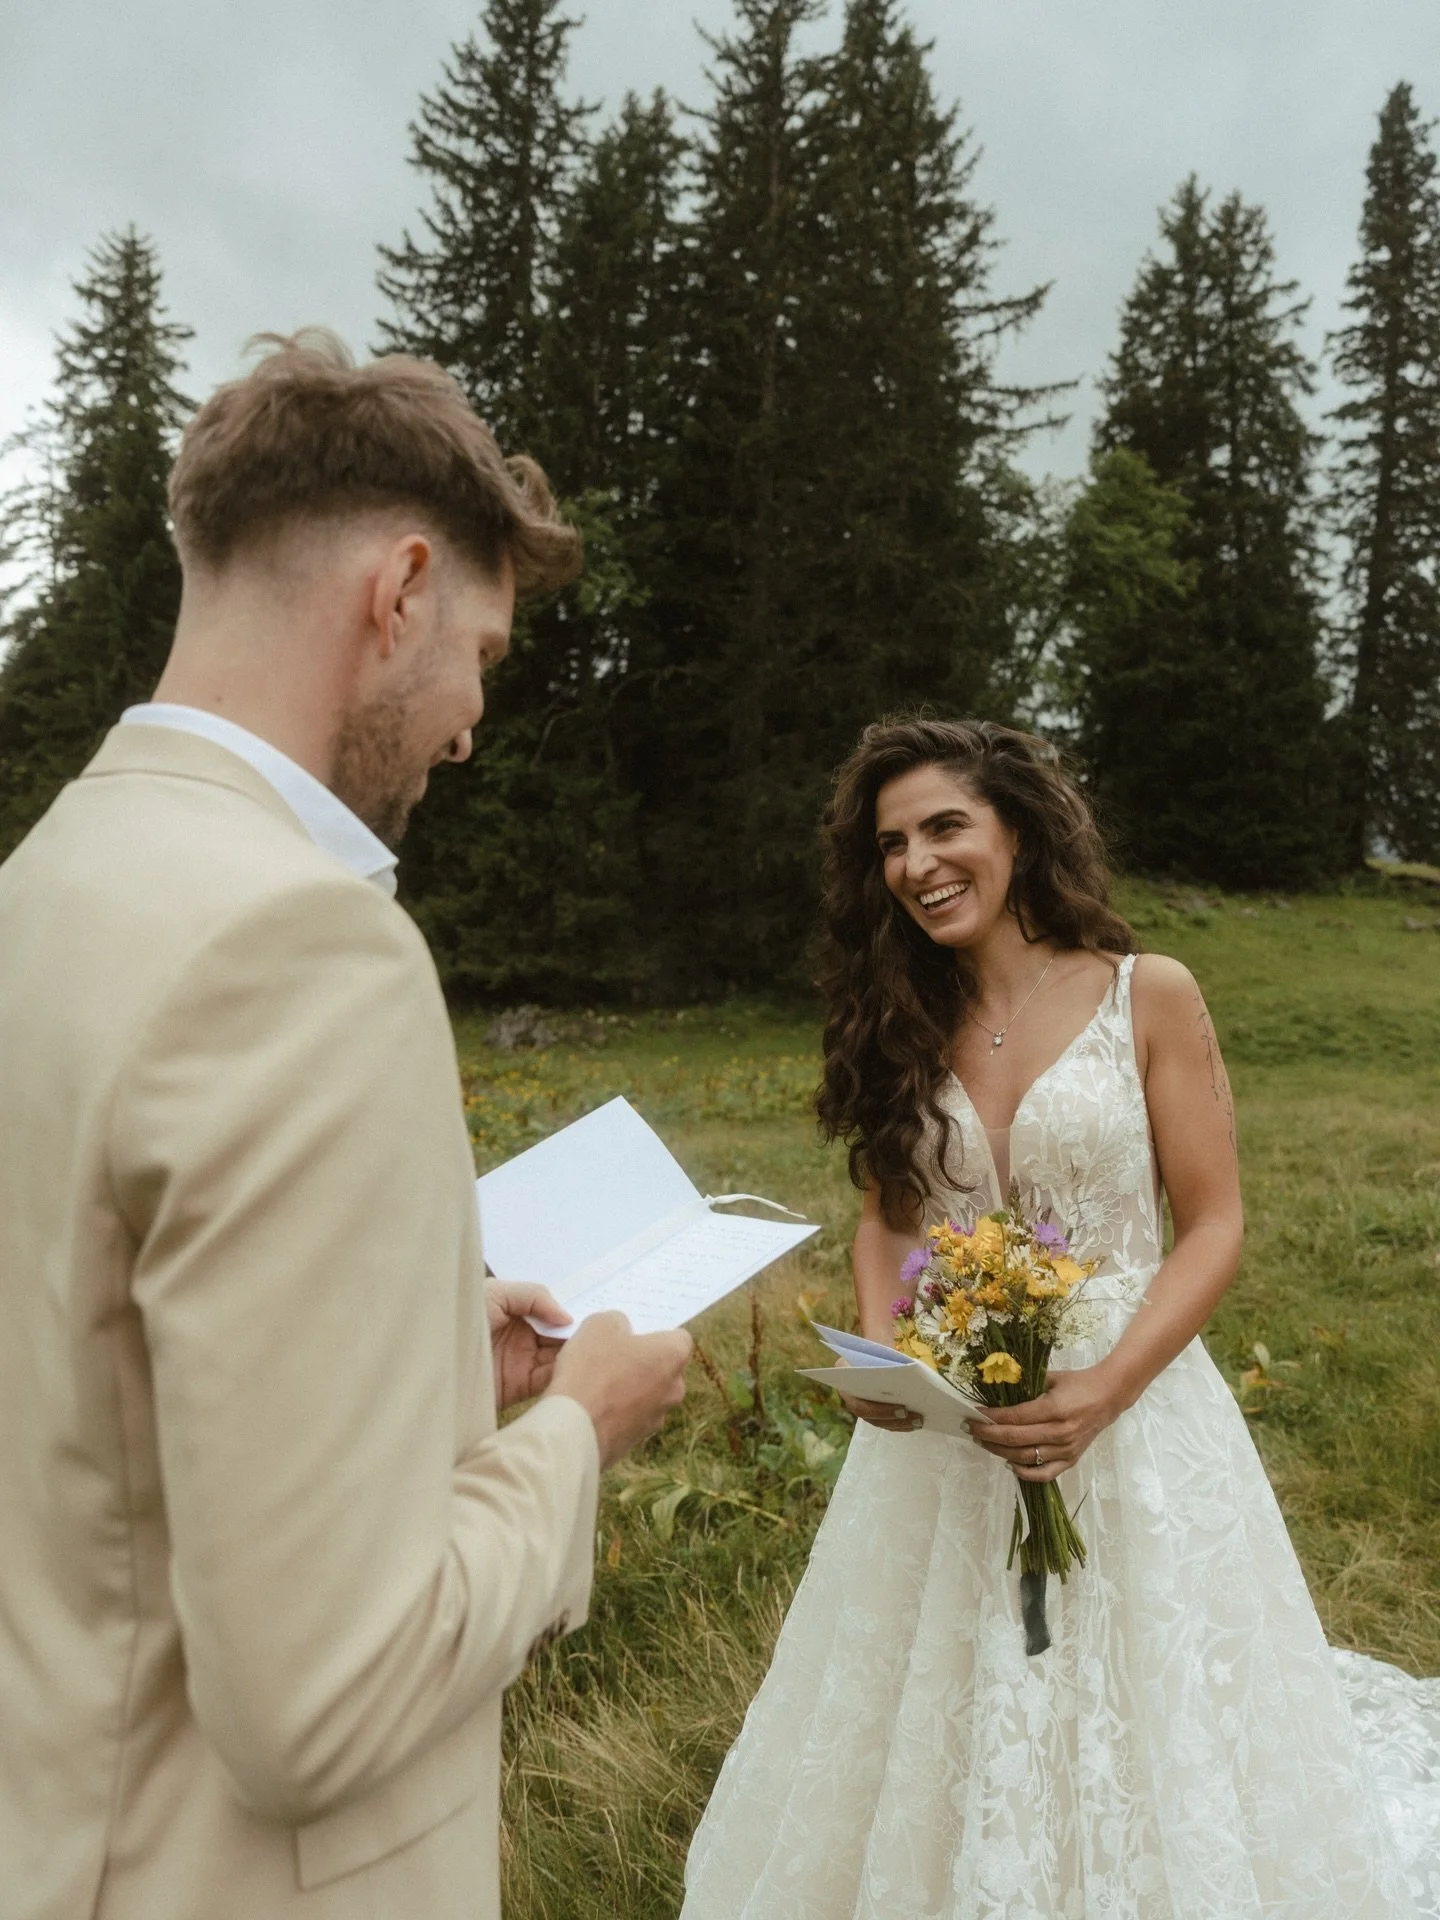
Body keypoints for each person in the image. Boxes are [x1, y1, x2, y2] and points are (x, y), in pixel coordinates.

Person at [0, 331, 692, 1920]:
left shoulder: (47, 883)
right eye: (487, 657)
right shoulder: (309, 948)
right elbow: (318, 1701)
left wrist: (430, 1351)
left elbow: (84, 1358)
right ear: (397, 592)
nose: (467, 724)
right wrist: (578, 1432)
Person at [683, 718, 1439, 1919]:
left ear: (1019, 830)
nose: (917, 864)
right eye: (890, 844)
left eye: (944, 827)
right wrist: (886, 1346)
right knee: (952, 1690)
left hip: (1129, 1409)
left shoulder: (1149, 992)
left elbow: (1215, 1225)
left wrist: (1106, 1389)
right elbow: (888, 1215)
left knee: (1147, 1692)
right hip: (953, 1428)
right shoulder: (900, 1012)